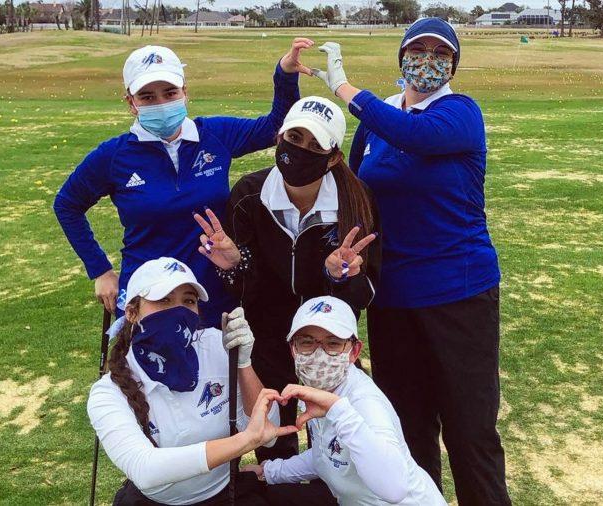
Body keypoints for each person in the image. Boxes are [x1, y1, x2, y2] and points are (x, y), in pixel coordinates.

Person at [308, 18, 511, 505]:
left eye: (439, 53)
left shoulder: (459, 113)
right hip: (393, 298)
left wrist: (344, 87)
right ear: (401, 59)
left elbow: (412, 133)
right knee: (407, 428)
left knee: (469, 431)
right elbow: (357, 192)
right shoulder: (378, 123)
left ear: (454, 64)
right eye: (416, 50)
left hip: (458, 294)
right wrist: (340, 251)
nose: (426, 60)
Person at [54, 39, 313, 329]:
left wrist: (285, 74)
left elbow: (275, 126)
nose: (161, 104)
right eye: (148, 97)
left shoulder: (214, 134)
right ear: (131, 102)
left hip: (211, 292)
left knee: (216, 372)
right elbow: (67, 204)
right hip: (147, 295)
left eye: (169, 93)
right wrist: (100, 269)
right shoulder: (113, 156)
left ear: (185, 93)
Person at [192, 96, 380, 463]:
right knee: (273, 447)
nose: (300, 151)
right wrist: (234, 264)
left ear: (333, 157)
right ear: (279, 138)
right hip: (268, 343)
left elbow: (367, 291)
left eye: (315, 146)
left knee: (339, 451)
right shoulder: (249, 195)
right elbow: (244, 287)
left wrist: (337, 276)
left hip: (327, 347)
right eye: (294, 138)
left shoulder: (356, 202)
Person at [87, 256, 296, 505]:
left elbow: (268, 431)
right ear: (132, 313)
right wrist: (244, 441)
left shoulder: (216, 345)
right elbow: (145, 470)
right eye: (163, 300)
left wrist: (242, 363)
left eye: (188, 301)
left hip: (225, 493)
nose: (178, 311)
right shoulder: (108, 392)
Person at [243, 296, 446, 506]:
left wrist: (338, 410)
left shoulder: (365, 403)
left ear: (354, 351)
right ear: (293, 349)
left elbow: (394, 488)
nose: (319, 354)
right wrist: (269, 471)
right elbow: (327, 454)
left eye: (333, 343)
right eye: (307, 342)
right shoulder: (320, 390)